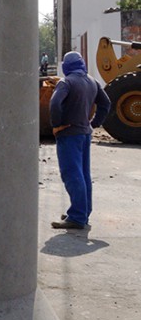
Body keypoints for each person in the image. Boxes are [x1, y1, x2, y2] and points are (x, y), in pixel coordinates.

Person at [49, 51, 111, 230]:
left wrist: (57, 124)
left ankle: (76, 217)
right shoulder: (92, 81)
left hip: (69, 134)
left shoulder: (66, 82)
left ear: (66, 67)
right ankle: (82, 212)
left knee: (71, 173)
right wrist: (94, 124)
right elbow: (106, 104)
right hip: (84, 133)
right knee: (83, 174)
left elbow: (54, 104)